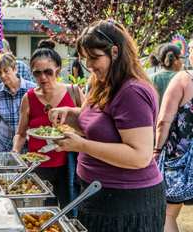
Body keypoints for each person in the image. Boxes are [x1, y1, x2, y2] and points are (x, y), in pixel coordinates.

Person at [48, 20, 165, 232]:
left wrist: (82, 146)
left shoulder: (132, 91)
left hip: (126, 203)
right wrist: (70, 115)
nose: (89, 65)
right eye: (85, 59)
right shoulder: (99, 83)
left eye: (94, 57)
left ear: (115, 51)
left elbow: (140, 156)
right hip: (97, 195)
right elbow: (97, 124)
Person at [12, 39, 84, 208]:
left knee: (69, 210)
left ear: (57, 70)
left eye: (48, 72)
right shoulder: (28, 98)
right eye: (37, 73)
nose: (43, 77)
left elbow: (92, 123)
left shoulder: (73, 92)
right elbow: (21, 133)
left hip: (69, 164)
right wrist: (15, 152)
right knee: (41, 211)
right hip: (38, 165)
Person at [156, 39, 193, 232]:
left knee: (168, 213)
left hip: (179, 160)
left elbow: (163, 121)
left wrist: (156, 149)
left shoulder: (183, 79)